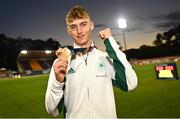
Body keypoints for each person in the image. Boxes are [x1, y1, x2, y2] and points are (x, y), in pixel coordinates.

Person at [45, 5, 138, 119]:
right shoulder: (61, 63)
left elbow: (131, 83)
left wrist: (110, 42)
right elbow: (52, 110)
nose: (79, 31)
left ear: (92, 25)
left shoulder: (105, 58)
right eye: (73, 27)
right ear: (68, 31)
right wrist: (58, 83)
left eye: (83, 24)